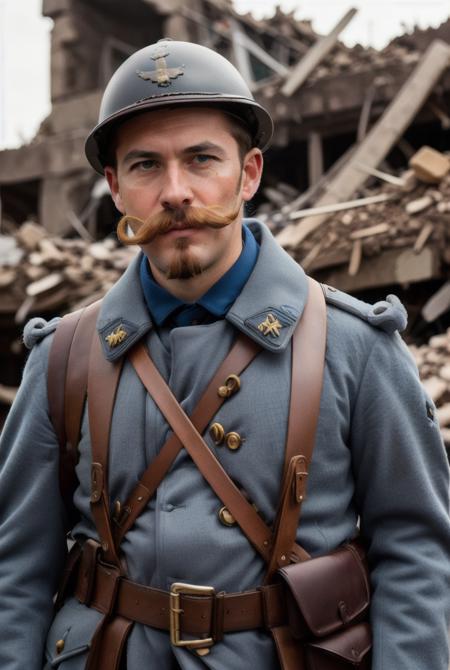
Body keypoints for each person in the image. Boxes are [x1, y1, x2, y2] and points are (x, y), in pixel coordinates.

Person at [0, 39, 449, 670]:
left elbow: (417, 551)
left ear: (250, 173)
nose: (176, 191)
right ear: (115, 187)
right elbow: (14, 571)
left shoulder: (356, 347)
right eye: (146, 166)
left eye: (202, 158)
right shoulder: (63, 359)